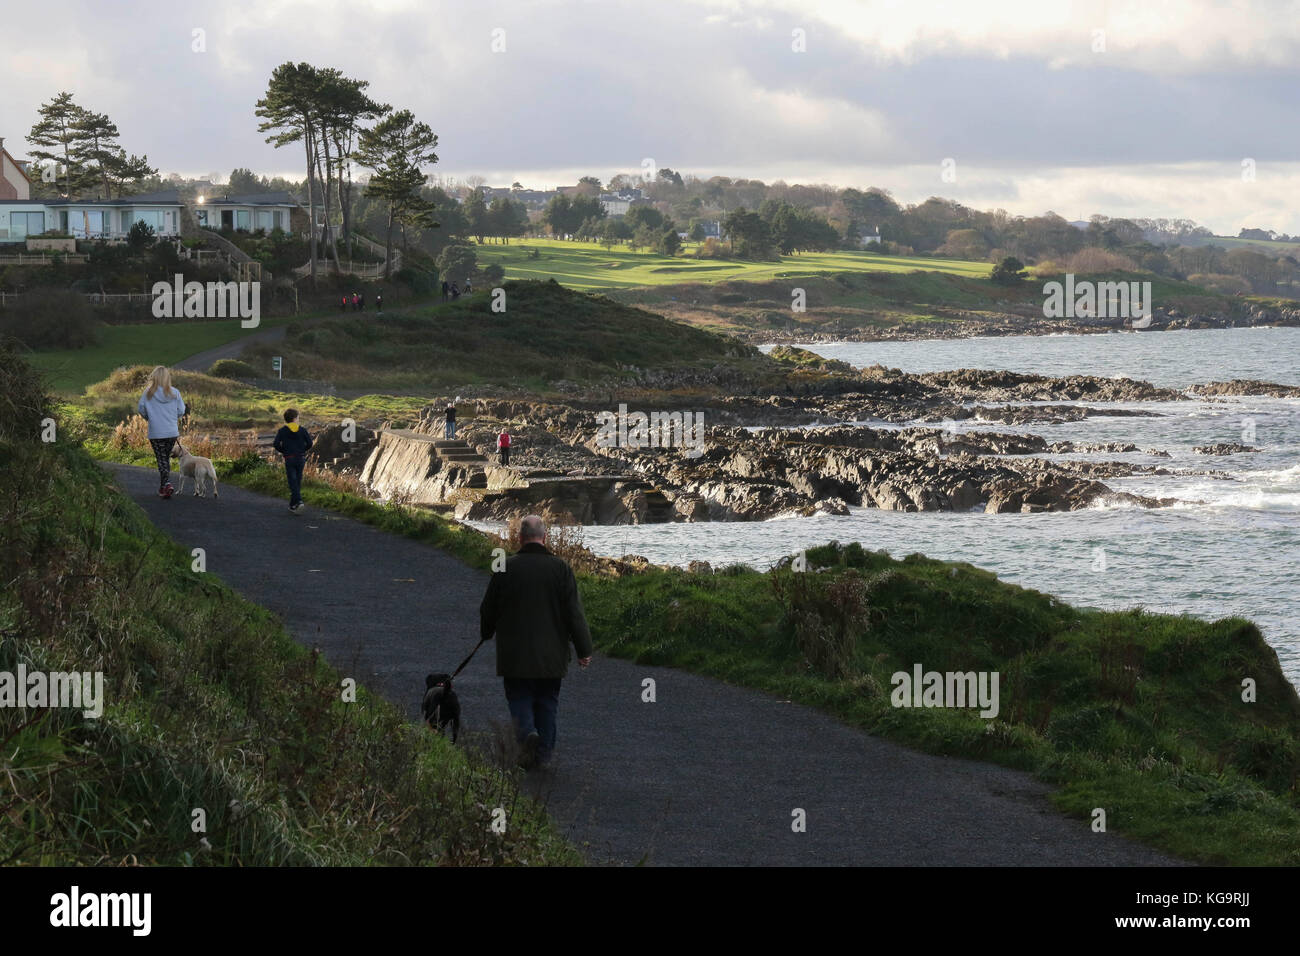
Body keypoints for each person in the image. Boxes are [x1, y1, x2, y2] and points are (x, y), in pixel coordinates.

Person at [479, 515, 593, 768]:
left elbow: (488, 609)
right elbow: (574, 613)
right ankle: (542, 756)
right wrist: (584, 649)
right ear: (545, 537)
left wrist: (486, 633)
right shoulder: (561, 569)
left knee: (519, 697)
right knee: (547, 702)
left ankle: (527, 733)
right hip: (551, 656)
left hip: (515, 655)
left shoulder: (504, 568)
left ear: (519, 538)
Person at [136, 365, 187, 498]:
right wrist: (171, 418)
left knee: (161, 459)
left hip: (156, 432)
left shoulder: (148, 393)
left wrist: (150, 418)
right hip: (171, 431)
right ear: (167, 378)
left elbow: (141, 409)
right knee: (165, 459)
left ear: (154, 377)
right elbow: (181, 411)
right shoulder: (175, 392)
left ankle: (167, 484)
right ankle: (163, 487)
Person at [272, 407, 314, 514]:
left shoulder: (282, 431)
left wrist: (284, 451)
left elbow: (276, 444)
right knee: (297, 481)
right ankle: (293, 505)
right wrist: (302, 450)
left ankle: (299, 502)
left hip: (289, 458)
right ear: (295, 419)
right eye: (298, 417)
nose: (298, 419)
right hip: (300, 458)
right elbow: (310, 443)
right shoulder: (302, 430)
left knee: (292, 481)